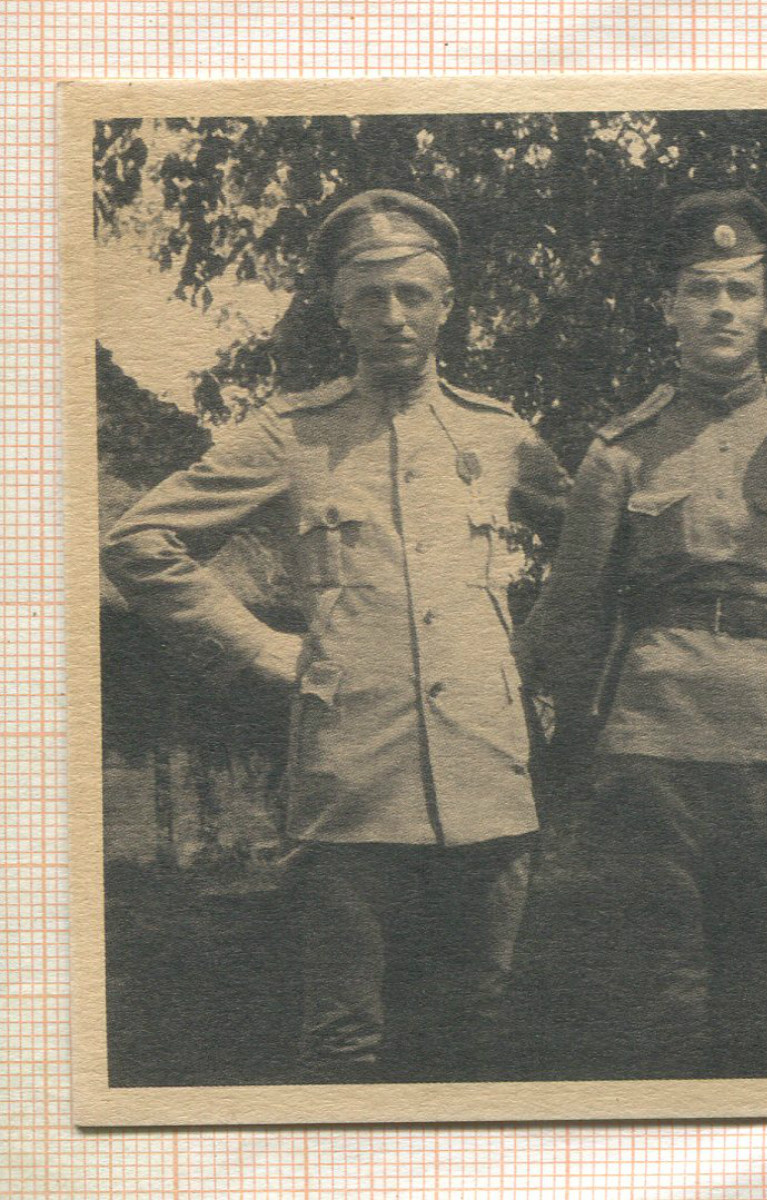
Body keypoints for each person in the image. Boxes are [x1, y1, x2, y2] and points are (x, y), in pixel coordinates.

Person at [102, 188, 572, 1081]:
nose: (393, 316)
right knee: (345, 1035)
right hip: (354, 779)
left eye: (412, 294)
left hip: (487, 770)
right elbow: (139, 541)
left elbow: (592, 551)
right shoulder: (291, 435)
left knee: (480, 1017)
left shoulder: (501, 434)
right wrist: (257, 644)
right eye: (370, 296)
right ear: (339, 308)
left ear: (446, 303)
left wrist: (530, 651)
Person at [516, 189, 767, 1078]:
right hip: (655, 751)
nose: (722, 308)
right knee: (659, 1000)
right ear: (667, 306)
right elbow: (574, 612)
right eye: (702, 289)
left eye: (741, 291)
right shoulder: (621, 450)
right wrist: (592, 735)